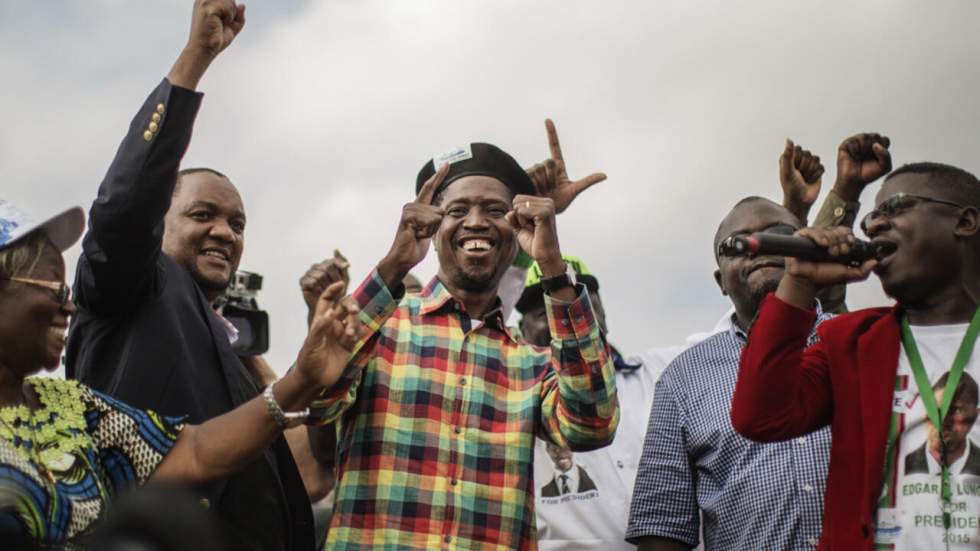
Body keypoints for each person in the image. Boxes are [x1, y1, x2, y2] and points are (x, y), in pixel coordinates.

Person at [63, 2, 313, 549]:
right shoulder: (136, 282)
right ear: (160, 221)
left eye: (237, 224)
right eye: (203, 215)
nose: (225, 232)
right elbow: (125, 208)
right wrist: (196, 58)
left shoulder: (231, 349)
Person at [308, 141, 619, 549]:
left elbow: (591, 427)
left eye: (494, 211)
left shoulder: (533, 363)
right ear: (433, 230)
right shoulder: (379, 330)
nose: (476, 222)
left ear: (516, 231)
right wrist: (395, 262)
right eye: (457, 211)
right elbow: (316, 399)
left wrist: (553, 268)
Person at [0, 199, 359, 549]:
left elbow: (197, 451)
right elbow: (127, 209)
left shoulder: (71, 407)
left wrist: (303, 379)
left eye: (66, 291)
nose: (69, 305)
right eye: (52, 288)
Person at [628, 134, 891, 550]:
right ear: (720, 281)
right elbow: (662, 528)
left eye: (779, 236)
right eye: (738, 246)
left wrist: (845, 191)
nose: (760, 249)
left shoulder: (858, 343)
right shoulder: (683, 379)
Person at [732, 161, 980, 549]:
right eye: (870, 219)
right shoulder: (852, 343)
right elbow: (759, 417)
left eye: (896, 206)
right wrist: (799, 283)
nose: (875, 224)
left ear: (965, 222)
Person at [904, 372, 980, 476]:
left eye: (956, 410)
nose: (943, 421)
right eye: (935, 409)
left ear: (975, 415)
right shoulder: (901, 466)